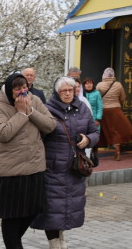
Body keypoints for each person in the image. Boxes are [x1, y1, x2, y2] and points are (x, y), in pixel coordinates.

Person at [30, 76, 100, 249]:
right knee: (52, 208)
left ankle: (60, 239)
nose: (68, 93)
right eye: (64, 91)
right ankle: (54, 243)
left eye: (71, 90)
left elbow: (95, 132)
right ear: (57, 92)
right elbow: (38, 137)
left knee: (68, 206)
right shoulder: (47, 109)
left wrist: (88, 139)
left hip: (75, 169)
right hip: (52, 168)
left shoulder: (82, 108)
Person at [0, 72, 56, 249]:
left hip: (34, 166)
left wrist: (31, 111)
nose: (22, 91)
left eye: (24, 87)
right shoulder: (0, 106)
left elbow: (50, 125)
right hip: (9, 171)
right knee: (11, 216)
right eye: (17, 89)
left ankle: (13, 242)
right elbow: (3, 134)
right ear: (9, 90)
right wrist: (21, 113)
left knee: (33, 210)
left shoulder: (34, 100)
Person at [96, 67, 132, 160]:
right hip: (115, 110)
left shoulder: (99, 85)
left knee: (105, 130)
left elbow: (97, 98)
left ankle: (95, 151)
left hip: (104, 110)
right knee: (116, 130)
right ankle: (117, 150)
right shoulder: (118, 85)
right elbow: (123, 97)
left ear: (104, 75)